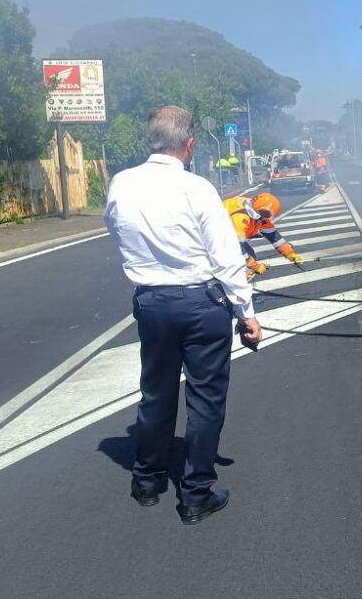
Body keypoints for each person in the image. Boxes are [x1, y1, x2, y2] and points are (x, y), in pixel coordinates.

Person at [105, 105, 262, 524]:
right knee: (205, 399)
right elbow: (226, 255)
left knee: (156, 393)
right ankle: (195, 495)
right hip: (201, 304)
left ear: (152, 140)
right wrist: (246, 312)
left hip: (152, 304)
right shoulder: (197, 188)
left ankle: (147, 481)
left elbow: (116, 229)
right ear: (190, 144)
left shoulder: (122, 183)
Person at [223, 192, 303, 278]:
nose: (265, 218)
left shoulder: (259, 216)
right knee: (239, 260)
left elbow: (274, 237)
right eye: (265, 214)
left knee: (249, 255)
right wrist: (253, 265)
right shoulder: (241, 216)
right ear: (257, 208)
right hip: (218, 236)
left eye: (268, 216)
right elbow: (236, 245)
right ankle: (232, 278)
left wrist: (290, 253)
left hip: (226, 236)